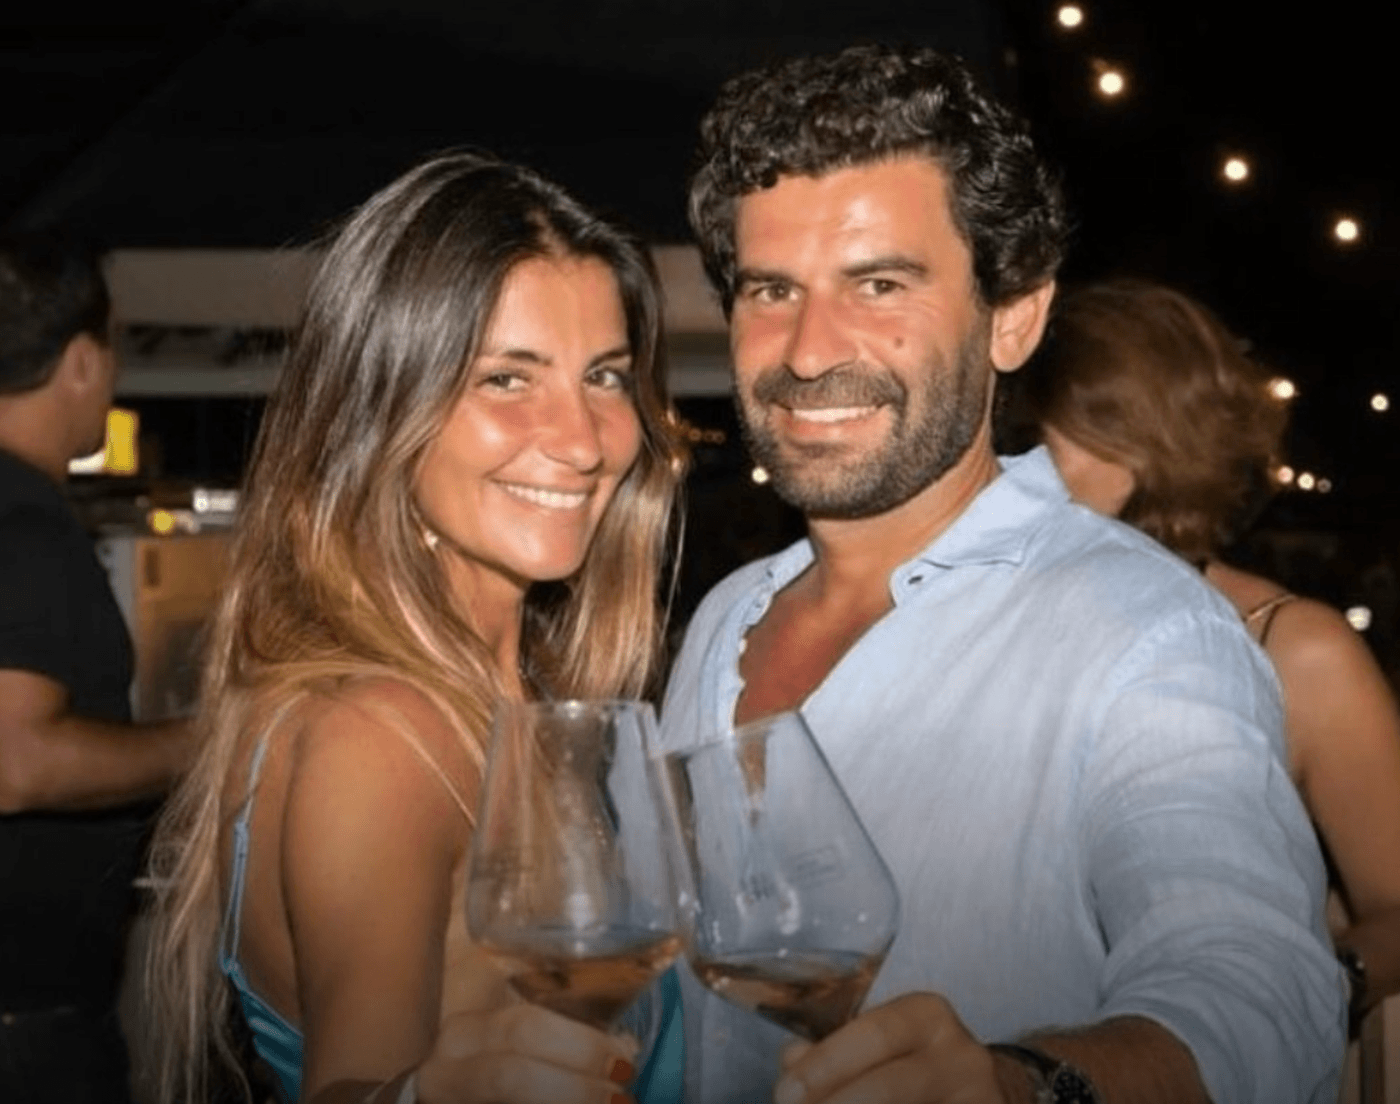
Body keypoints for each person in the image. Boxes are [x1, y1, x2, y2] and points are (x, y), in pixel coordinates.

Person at [660, 44, 1345, 1104]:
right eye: (769, 290)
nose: (805, 351)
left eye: (877, 282)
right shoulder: (719, 620)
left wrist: (1022, 1085)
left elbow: (1255, 989)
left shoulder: (1144, 631)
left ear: (1013, 317)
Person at [144, 154, 687, 1104]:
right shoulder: (384, 733)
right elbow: (355, 1084)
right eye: (506, 379)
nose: (584, 438)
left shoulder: (519, 699)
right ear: (382, 411)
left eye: (603, 376)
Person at [1021, 277, 1400, 1035]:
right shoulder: (1003, 620)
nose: (1015, 467)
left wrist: (1302, 993)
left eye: (1044, 438)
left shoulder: (1297, 650)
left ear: (1146, 439)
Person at [0, 232, 194, 1104]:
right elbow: (15, 761)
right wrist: (208, 738)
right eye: (114, 347)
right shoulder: (25, 526)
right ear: (81, 359)